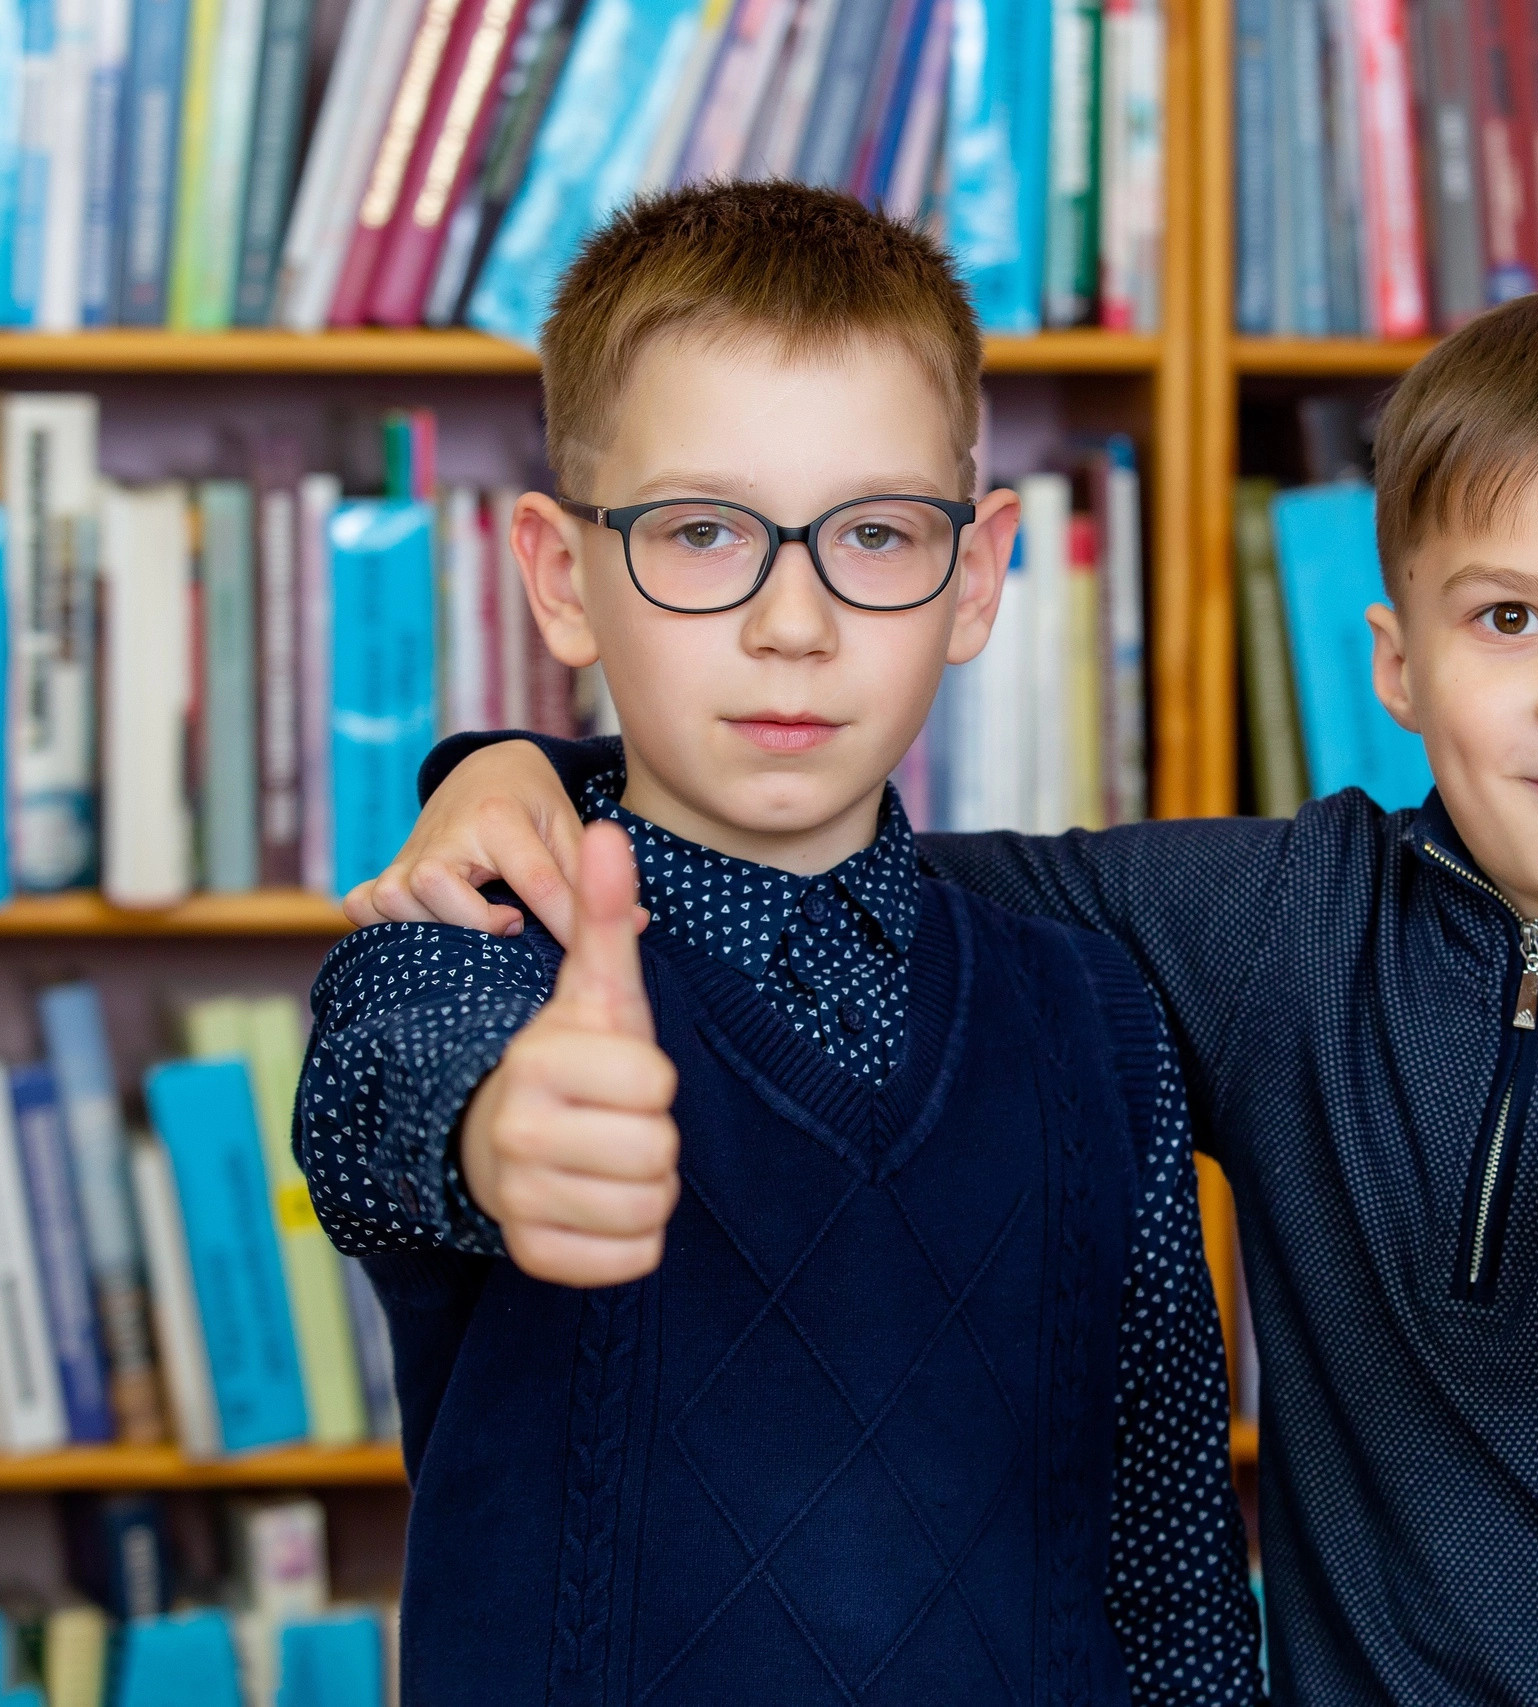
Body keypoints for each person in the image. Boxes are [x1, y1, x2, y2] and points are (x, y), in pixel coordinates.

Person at [358, 275, 1538, 1703]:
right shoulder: (1275, 924)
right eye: (1511, 617)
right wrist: (519, 772)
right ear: (1398, 666)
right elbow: (817, 842)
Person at [291, 179, 1261, 1706]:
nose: (791, 623)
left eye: (874, 535)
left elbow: (1165, 1548)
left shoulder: (1100, 1016)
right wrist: (497, 1135)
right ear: (560, 577)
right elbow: (377, 1103)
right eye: (701, 532)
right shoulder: (469, 947)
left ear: (978, 573)